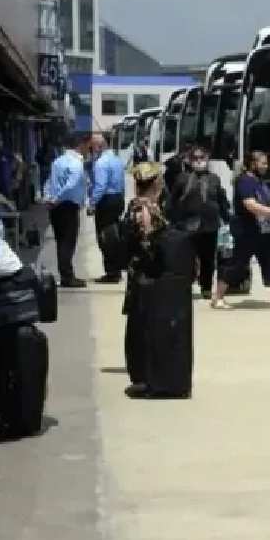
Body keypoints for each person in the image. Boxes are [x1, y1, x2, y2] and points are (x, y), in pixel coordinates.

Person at [212, 151, 270, 310]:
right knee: (237, 264)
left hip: (264, 232)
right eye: (263, 163)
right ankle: (218, 297)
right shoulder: (245, 181)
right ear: (253, 164)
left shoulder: (260, 182)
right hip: (247, 231)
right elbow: (250, 205)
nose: (266, 166)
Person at [121, 162, 168, 397]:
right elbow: (150, 245)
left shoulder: (134, 206)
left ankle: (140, 373)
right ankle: (143, 375)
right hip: (146, 277)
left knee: (136, 326)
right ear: (156, 183)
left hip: (136, 275)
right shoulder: (146, 211)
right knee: (144, 327)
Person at [168, 145, 230, 297]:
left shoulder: (214, 178)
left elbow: (222, 201)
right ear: (189, 160)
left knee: (208, 259)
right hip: (187, 225)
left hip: (210, 225)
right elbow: (172, 202)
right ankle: (185, 286)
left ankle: (206, 287)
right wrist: (172, 222)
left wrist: (227, 220)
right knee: (186, 258)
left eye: (202, 158)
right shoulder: (182, 178)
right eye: (195, 158)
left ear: (207, 159)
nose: (199, 161)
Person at [44, 133, 90, 288]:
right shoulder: (76, 163)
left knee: (60, 242)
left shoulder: (57, 161)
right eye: (86, 146)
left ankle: (65, 274)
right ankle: (67, 277)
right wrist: (57, 198)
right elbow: (71, 184)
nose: (87, 149)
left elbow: (49, 182)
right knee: (67, 243)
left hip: (56, 207)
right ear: (79, 145)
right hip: (67, 206)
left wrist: (49, 198)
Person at [88, 133, 126, 284]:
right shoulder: (117, 160)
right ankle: (116, 269)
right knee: (115, 236)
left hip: (106, 201)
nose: (92, 150)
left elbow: (100, 186)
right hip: (117, 199)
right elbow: (122, 184)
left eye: (93, 147)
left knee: (105, 237)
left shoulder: (101, 163)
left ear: (98, 146)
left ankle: (111, 272)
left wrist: (92, 203)